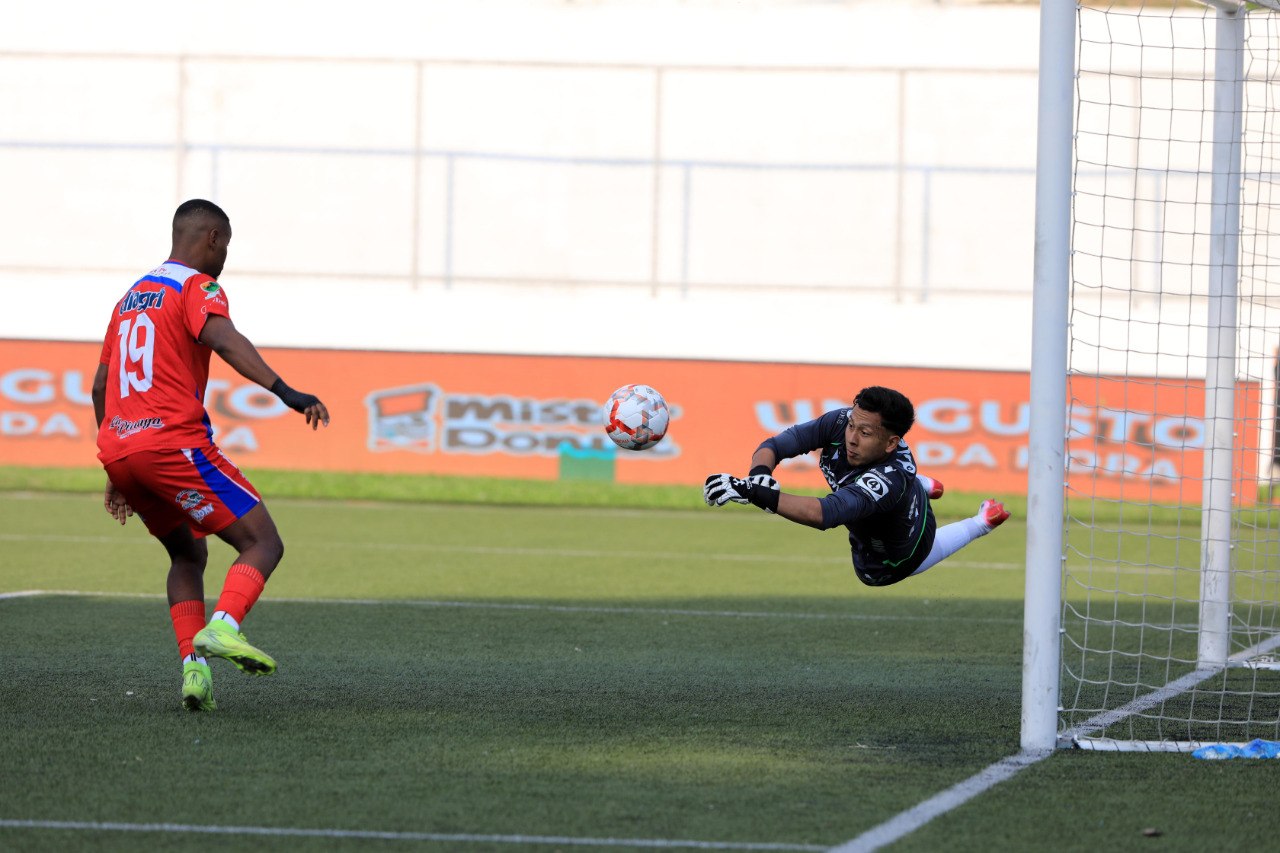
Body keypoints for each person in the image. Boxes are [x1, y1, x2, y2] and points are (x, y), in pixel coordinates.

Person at [91, 198, 330, 712]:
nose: (225, 258)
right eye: (226, 247)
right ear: (213, 239)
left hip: (121, 447)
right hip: (172, 444)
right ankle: (222, 629)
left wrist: (116, 462)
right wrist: (286, 391)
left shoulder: (130, 297)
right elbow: (223, 338)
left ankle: (193, 673)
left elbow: (101, 385)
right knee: (263, 542)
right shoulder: (196, 286)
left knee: (187, 554)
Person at [703, 386, 1008, 587]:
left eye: (864, 432)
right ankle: (921, 485)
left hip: (897, 552)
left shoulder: (888, 479)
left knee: (873, 574)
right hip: (902, 494)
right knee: (892, 485)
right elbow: (777, 444)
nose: (851, 436)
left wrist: (754, 492)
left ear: (891, 441)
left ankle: (983, 521)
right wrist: (759, 474)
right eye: (852, 425)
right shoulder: (840, 423)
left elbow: (828, 513)